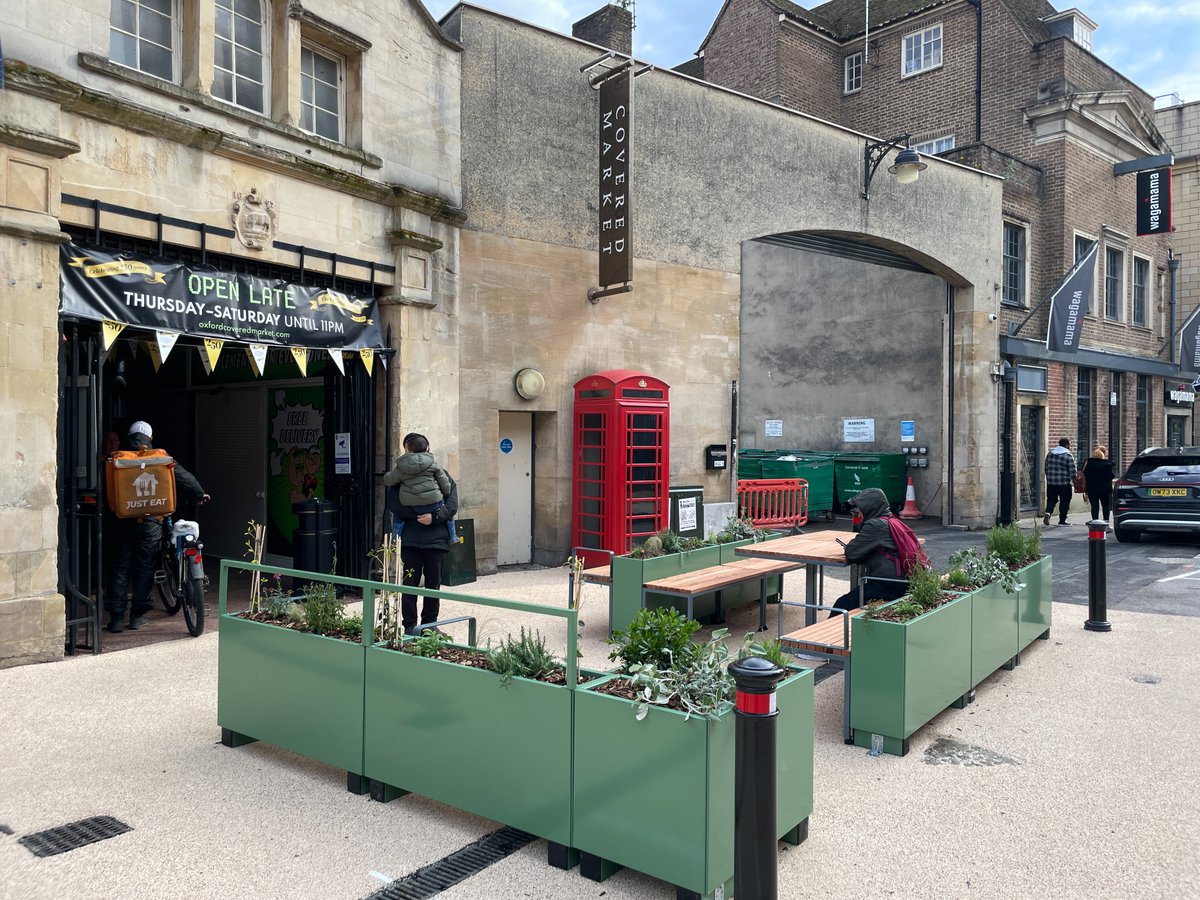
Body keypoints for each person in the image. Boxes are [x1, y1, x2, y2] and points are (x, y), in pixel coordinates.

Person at [105, 421, 209, 633]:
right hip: (151, 522)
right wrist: (199, 493)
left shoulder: (119, 458)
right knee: (145, 568)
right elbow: (182, 476)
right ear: (150, 439)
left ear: (129, 437)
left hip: (123, 521)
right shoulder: (159, 458)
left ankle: (116, 618)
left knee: (120, 567)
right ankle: (137, 616)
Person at [388, 433, 459, 635]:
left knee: (430, 584)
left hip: (428, 538)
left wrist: (431, 517)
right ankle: (410, 625)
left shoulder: (406, 473)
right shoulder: (435, 472)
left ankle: (427, 625)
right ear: (428, 449)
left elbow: (452, 503)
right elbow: (394, 504)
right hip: (416, 540)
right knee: (414, 583)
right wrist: (428, 516)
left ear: (407, 450)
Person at [828, 488, 909, 616]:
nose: (857, 513)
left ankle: (831, 635)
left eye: (859, 509)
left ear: (868, 508)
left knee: (842, 606)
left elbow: (852, 553)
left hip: (889, 584)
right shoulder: (892, 520)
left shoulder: (875, 525)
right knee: (854, 599)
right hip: (904, 581)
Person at [383, 433, 456, 542]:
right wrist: (437, 512)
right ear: (427, 448)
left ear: (408, 450)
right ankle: (453, 535)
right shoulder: (435, 465)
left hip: (410, 534)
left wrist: (387, 474)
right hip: (436, 524)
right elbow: (449, 497)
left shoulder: (401, 469)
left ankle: (395, 537)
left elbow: (394, 501)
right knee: (449, 515)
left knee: (397, 517)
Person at [1043, 437, 1077, 527]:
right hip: (1064, 483)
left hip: (1051, 483)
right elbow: (1072, 471)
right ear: (1067, 445)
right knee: (1065, 501)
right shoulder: (1068, 455)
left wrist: (1049, 477)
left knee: (1051, 499)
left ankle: (1048, 512)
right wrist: (1074, 479)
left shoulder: (1050, 454)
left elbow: (1046, 468)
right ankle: (1062, 520)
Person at [1081, 445, 1117, 528]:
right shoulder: (1107, 465)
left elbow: (1083, 474)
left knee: (1094, 506)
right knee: (1105, 506)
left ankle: (1094, 523)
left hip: (1091, 489)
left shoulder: (1088, 463)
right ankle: (1106, 524)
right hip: (1104, 489)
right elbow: (1111, 476)